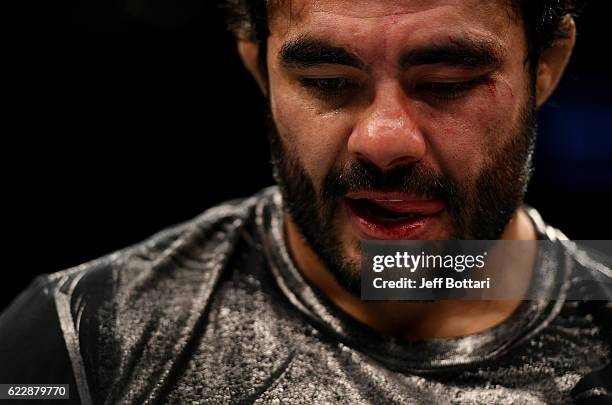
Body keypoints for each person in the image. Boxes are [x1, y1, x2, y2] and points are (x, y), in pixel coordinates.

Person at [1, 0, 611, 403]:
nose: (382, 141)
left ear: (547, 65)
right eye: (326, 82)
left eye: (446, 84)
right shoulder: (83, 337)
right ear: (258, 67)